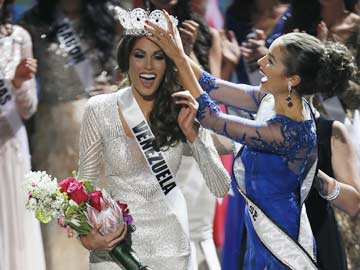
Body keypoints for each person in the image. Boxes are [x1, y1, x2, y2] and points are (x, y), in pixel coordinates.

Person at [145, 11, 356, 269]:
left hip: (281, 245)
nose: (261, 62)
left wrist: (177, 57)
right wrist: (176, 47)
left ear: (292, 80)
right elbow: (209, 83)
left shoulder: (288, 132)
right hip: (258, 238)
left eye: (272, 60)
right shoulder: (269, 100)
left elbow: (211, 117)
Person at [77, 11, 230, 269]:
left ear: (168, 63)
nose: (148, 66)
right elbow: (84, 185)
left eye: (158, 57)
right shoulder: (99, 108)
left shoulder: (181, 108)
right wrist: (86, 236)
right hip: (114, 249)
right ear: (127, 59)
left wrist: (194, 137)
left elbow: (220, 187)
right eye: (140, 55)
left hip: (169, 249)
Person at [20, 1, 122, 269]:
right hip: (54, 136)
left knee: (103, 214)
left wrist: (116, 87)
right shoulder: (33, 23)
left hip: (100, 130)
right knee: (61, 217)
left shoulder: (110, 17)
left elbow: (136, 73)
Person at [0, 0, 45, 269]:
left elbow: (29, 109)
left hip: (11, 143)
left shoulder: (19, 38)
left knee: (16, 218)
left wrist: (17, 84)